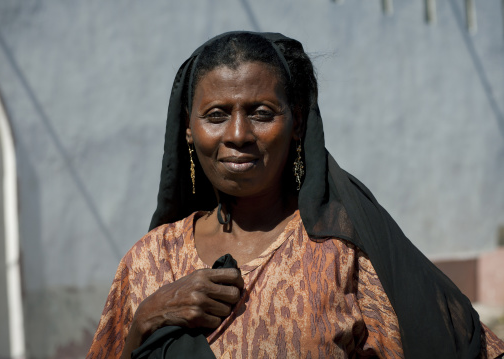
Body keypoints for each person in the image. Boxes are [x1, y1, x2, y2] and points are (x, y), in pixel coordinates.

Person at [87, 32, 504, 359]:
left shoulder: (341, 256)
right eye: (216, 115)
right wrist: (145, 319)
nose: (237, 135)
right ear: (188, 129)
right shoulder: (147, 263)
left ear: (298, 123)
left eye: (262, 113)